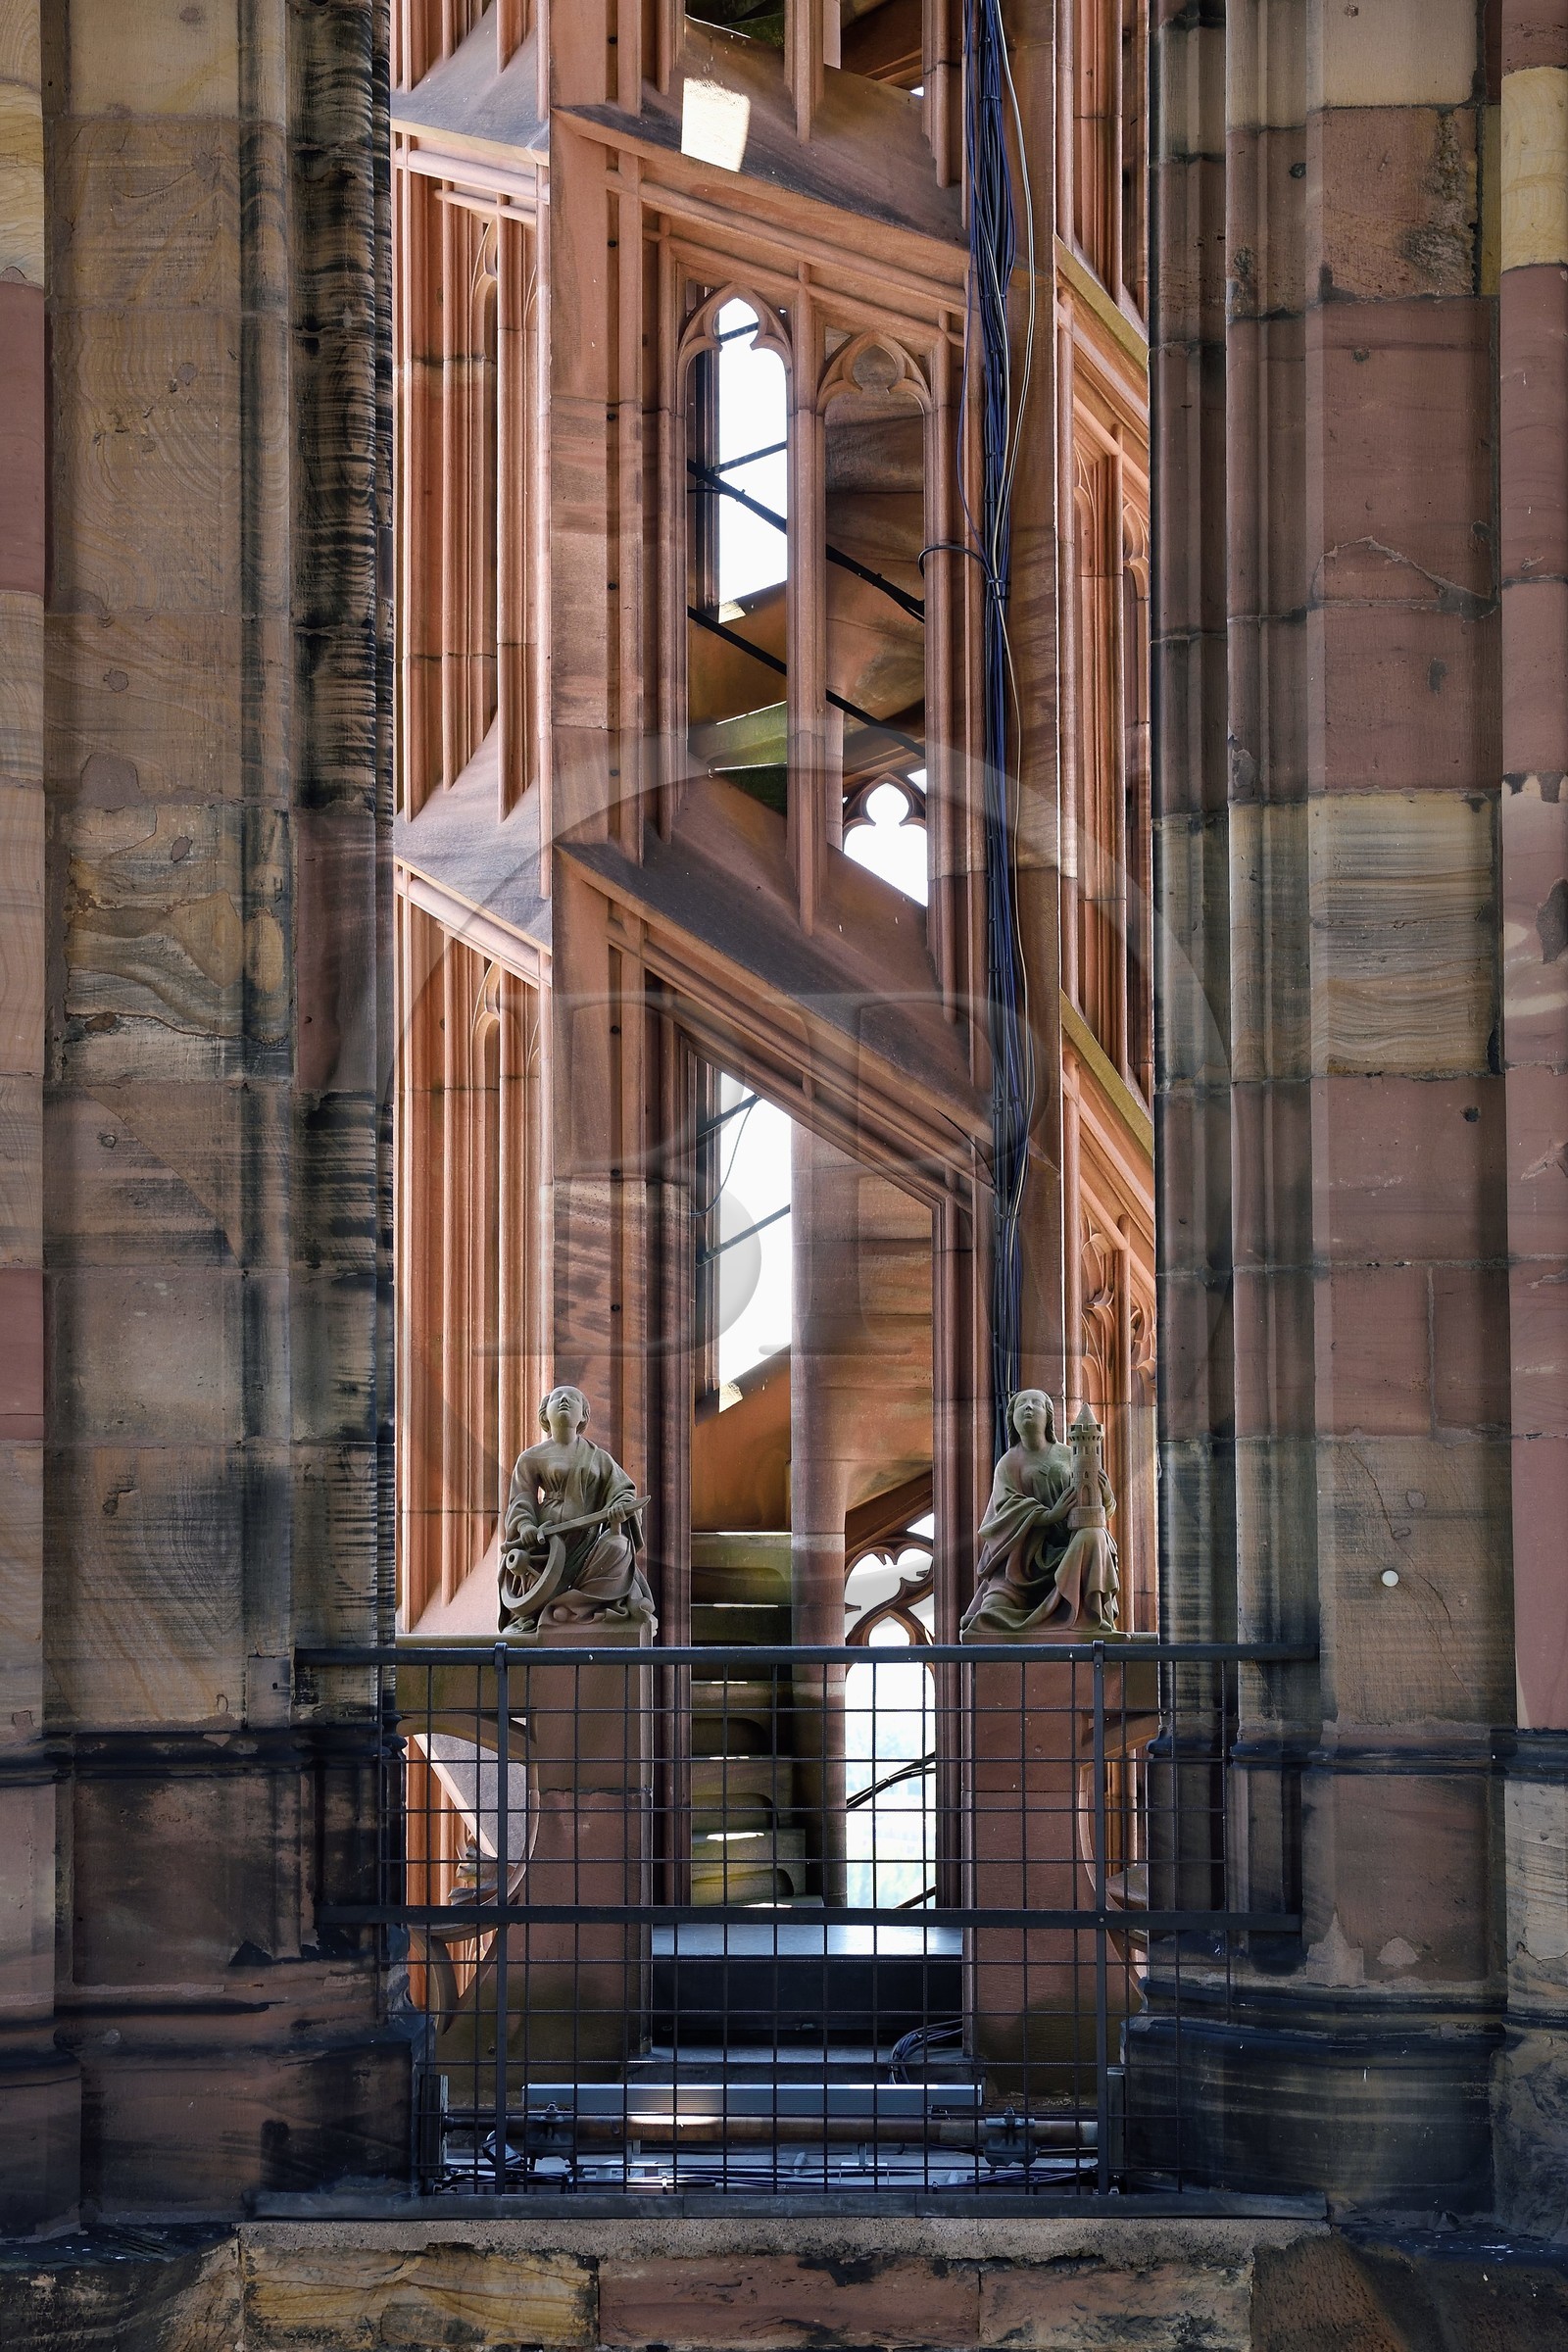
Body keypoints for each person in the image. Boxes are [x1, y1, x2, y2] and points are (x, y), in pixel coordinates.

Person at [498, 1386, 656, 1637]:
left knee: (618, 1548)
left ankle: (578, 1608)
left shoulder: (598, 1457)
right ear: (544, 1413)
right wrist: (526, 1526)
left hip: (589, 1540)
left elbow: (623, 1490)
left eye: (572, 1399)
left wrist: (617, 1509)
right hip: (546, 1544)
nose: (564, 1400)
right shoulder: (531, 1457)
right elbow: (521, 1499)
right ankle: (544, 1610)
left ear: (583, 1415)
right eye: (557, 1397)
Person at [960, 1388, 1116, 1637]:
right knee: (989, 1616)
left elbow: (1102, 1509)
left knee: (1094, 1535)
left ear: (1048, 1417)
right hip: (1025, 1561)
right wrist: (1048, 1515)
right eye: (1022, 1404)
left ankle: (1088, 1615)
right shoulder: (1008, 1464)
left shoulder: (1069, 1454)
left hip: (1071, 1547)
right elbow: (1004, 1513)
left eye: (1036, 1403)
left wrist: (1105, 1493)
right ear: (1012, 1417)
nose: (1029, 1407)